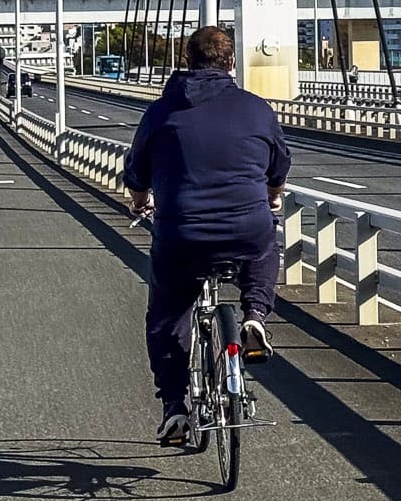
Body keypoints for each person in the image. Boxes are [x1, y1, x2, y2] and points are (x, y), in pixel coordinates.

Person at [124, 25, 291, 445]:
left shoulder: (161, 112)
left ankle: (175, 408)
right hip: (245, 226)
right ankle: (254, 316)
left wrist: (139, 198)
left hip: (182, 233)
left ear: (187, 60)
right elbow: (279, 164)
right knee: (264, 247)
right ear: (230, 62)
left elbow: (137, 168)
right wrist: (271, 196)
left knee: (166, 317)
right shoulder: (256, 109)